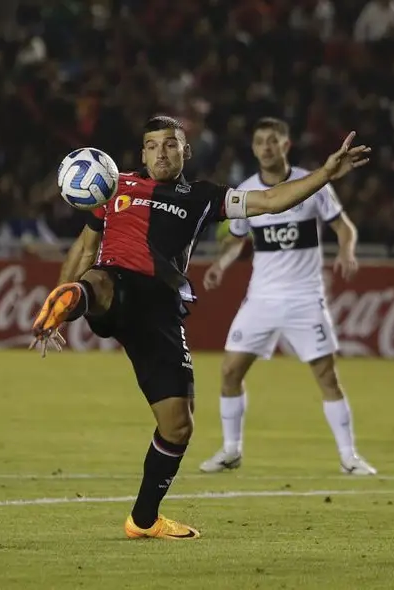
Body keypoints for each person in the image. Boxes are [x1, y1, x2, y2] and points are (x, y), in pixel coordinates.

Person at [30, 116, 371, 540]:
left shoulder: (204, 196)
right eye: (152, 146)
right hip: (117, 286)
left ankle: (143, 520)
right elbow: (85, 247)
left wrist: (324, 174)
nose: (161, 153)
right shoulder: (114, 185)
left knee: (178, 426)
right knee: (100, 281)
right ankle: (71, 303)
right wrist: (60, 297)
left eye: (170, 145)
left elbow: (268, 201)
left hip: (161, 312)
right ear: (141, 154)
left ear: (185, 151)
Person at [197, 117, 376, 476]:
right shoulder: (247, 191)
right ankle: (232, 450)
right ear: (253, 148)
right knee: (230, 371)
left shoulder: (312, 183)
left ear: (286, 146)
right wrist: (222, 263)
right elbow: (237, 239)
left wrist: (347, 251)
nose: (265, 147)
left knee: (327, 376)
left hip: (304, 298)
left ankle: (349, 456)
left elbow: (345, 227)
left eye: (272, 140)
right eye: (259, 141)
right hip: (261, 298)